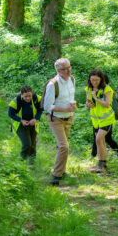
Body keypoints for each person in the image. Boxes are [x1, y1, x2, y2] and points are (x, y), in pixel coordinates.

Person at [43, 58, 76, 186]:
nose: (68, 70)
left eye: (69, 67)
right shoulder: (53, 84)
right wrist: (64, 109)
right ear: (58, 70)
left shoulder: (72, 79)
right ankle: (55, 176)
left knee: (61, 146)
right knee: (64, 146)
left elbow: (71, 98)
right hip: (56, 118)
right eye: (65, 69)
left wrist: (71, 109)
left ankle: (61, 170)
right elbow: (47, 106)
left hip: (69, 117)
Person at [86, 69, 116, 173]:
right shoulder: (89, 89)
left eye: (96, 80)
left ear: (101, 79)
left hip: (106, 119)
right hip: (96, 120)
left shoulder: (107, 89)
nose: (94, 82)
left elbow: (107, 104)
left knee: (98, 139)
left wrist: (96, 98)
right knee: (100, 142)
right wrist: (89, 105)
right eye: (92, 80)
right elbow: (87, 105)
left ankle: (101, 164)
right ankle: (103, 164)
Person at [8, 85, 43, 163]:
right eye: (25, 96)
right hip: (20, 124)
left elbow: (41, 110)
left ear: (32, 93)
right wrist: (21, 120)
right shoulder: (16, 100)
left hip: (32, 123)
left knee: (33, 145)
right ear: (21, 94)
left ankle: (31, 163)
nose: (28, 98)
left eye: (29, 96)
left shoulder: (36, 98)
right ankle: (21, 163)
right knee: (27, 144)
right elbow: (10, 114)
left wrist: (35, 118)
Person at [90, 73, 118, 158]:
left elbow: (111, 105)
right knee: (98, 138)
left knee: (106, 138)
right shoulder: (95, 91)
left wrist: (113, 117)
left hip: (107, 120)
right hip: (98, 120)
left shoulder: (107, 91)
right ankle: (94, 155)